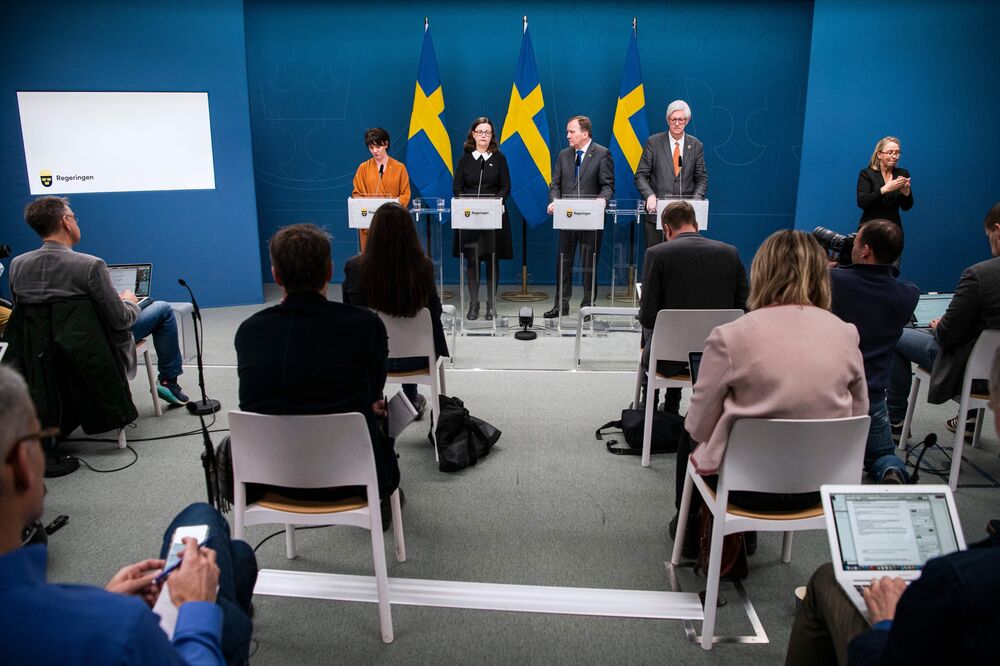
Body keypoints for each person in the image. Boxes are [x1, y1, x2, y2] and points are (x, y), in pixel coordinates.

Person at [0, 365, 256, 665]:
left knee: (236, 554)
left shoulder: (76, 618)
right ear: (20, 464)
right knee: (206, 525)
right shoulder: (122, 629)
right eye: (40, 437)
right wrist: (196, 607)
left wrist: (101, 604)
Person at [785, 348, 1000, 666]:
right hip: (857, 422)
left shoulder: (956, 580)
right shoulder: (893, 301)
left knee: (828, 580)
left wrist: (885, 623)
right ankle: (887, 459)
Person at [685, 230, 868, 507]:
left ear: (761, 271)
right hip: (820, 486)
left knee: (686, 436)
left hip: (745, 488)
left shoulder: (729, 336)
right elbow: (858, 416)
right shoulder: (846, 333)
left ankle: (690, 533)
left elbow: (698, 427)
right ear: (821, 275)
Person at [234, 223, 399, 501]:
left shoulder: (249, 331)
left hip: (268, 481)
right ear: (329, 271)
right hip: (356, 479)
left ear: (276, 276)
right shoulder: (366, 325)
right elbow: (374, 392)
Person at [9, 196, 188, 405]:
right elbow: (121, 320)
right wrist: (129, 301)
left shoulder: (17, 265)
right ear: (66, 221)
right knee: (163, 309)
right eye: (74, 217)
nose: (76, 222)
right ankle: (168, 382)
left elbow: (21, 315)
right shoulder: (90, 265)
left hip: (41, 352)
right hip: (94, 347)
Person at [887, 202, 1000, 435]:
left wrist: (940, 325)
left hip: (970, 374)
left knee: (896, 336)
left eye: (989, 237)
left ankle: (895, 419)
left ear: (997, 230)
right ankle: (967, 420)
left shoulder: (979, 275)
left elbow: (948, 335)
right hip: (992, 370)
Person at [829, 220, 918, 484]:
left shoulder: (832, 280)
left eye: (855, 243)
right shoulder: (908, 294)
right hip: (872, 396)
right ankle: (891, 471)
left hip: (831, 391)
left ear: (865, 251)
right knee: (882, 456)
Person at [638, 201, 748, 416]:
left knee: (654, 330)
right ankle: (671, 406)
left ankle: (647, 407)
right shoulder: (730, 253)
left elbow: (648, 316)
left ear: (667, 229)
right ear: (696, 225)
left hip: (667, 359)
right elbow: (743, 309)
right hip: (718, 356)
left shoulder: (657, 254)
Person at [343, 202, 449, 418]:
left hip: (372, 359)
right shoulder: (423, 267)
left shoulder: (355, 268)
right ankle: (411, 398)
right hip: (420, 358)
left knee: (371, 336)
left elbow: (350, 317)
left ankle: (377, 399)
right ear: (410, 233)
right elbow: (435, 312)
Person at [543, 115, 615, 318]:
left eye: (571, 131)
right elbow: (555, 184)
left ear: (585, 134)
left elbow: (608, 186)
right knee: (563, 263)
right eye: (567, 131)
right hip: (566, 219)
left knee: (588, 265)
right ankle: (560, 305)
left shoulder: (602, 154)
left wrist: (602, 200)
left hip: (590, 220)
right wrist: (553, 201)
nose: (568, 135)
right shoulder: (564, 155)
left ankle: (588, 306)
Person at [452, 117, 513, 321]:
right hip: (470, 219)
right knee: (473, 260)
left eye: (487, 132)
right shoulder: (465, 159)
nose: (483, 136)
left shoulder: (499, 158)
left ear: (492, 136)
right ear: (473, 134)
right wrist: (466, 203)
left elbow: (505, 186)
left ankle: (491, 304)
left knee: (492, 261)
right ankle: (474, 304)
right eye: (480, 132)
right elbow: (457, 187)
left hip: (493, 217)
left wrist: (494, 204)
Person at [634, 100, 708, 249]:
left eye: (681, 119)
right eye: (673, 119)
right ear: (667, 120)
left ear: (687, 121)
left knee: (683, 261)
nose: (677, 123)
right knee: (656, 260)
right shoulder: (653, 143)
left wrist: (695, 201)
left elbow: (702, 179)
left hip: (685, 218)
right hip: (657, 216)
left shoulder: (696, 145)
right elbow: (640, 175)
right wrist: (650, 195)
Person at [352, 127, 411, 252]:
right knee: (371, 263)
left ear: (386, 144)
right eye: (371, 148)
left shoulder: (400, 168)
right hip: (369, 225)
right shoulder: (363, 168)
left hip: (393, 224)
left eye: (378, 147)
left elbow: (405, 195)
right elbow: (356, 194)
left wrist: (390, 208)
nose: (375, 151)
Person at [856, 136, 912, 228]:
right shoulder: (866, 174)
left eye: (897, 153)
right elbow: (862, 202)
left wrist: (906, 193)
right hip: (870, 228)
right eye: (890, 152)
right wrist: (884, 189)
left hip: (894, 229)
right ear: (879, 154)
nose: (894, 156)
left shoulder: (902, 173)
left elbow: (906, 207)